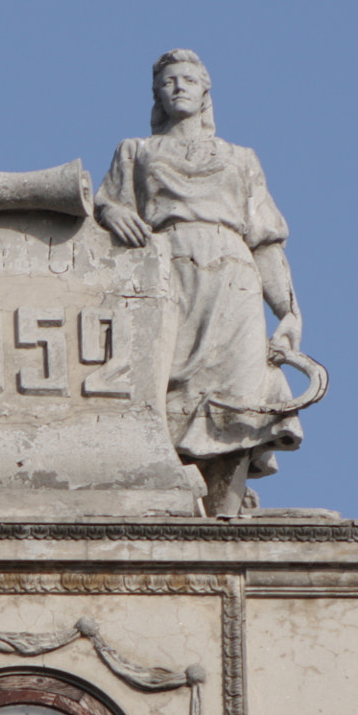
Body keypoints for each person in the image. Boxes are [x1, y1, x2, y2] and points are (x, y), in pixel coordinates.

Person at [94, 49, 305, 515]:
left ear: (205, 92)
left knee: (240, 390)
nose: (179, 87)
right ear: (157, 94)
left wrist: (289, 314)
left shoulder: (240, 158)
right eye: (169, 81)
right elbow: (105, 205)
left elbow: (266, 242)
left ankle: (225, 513)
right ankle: (172, 501)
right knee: (164, 386)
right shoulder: (136, 151)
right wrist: (112, 212)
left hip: (234, 276)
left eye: (189, 79)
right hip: (168, 271)